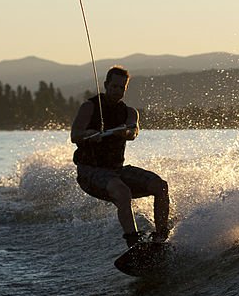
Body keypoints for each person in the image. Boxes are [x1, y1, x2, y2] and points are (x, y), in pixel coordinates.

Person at [71, 65, 170, 247]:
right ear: (106, 85)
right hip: (89, 172)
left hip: (116, 171)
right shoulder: (89, 107)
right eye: (114, 86)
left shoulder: (129, 112)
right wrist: (90, 134)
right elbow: (74, 135)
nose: (117, 91)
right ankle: (134, 243)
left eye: (121, 88)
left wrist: (124, 132)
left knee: (160, 186)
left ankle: (161, 238)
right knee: (122, 191)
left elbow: (133, 131)